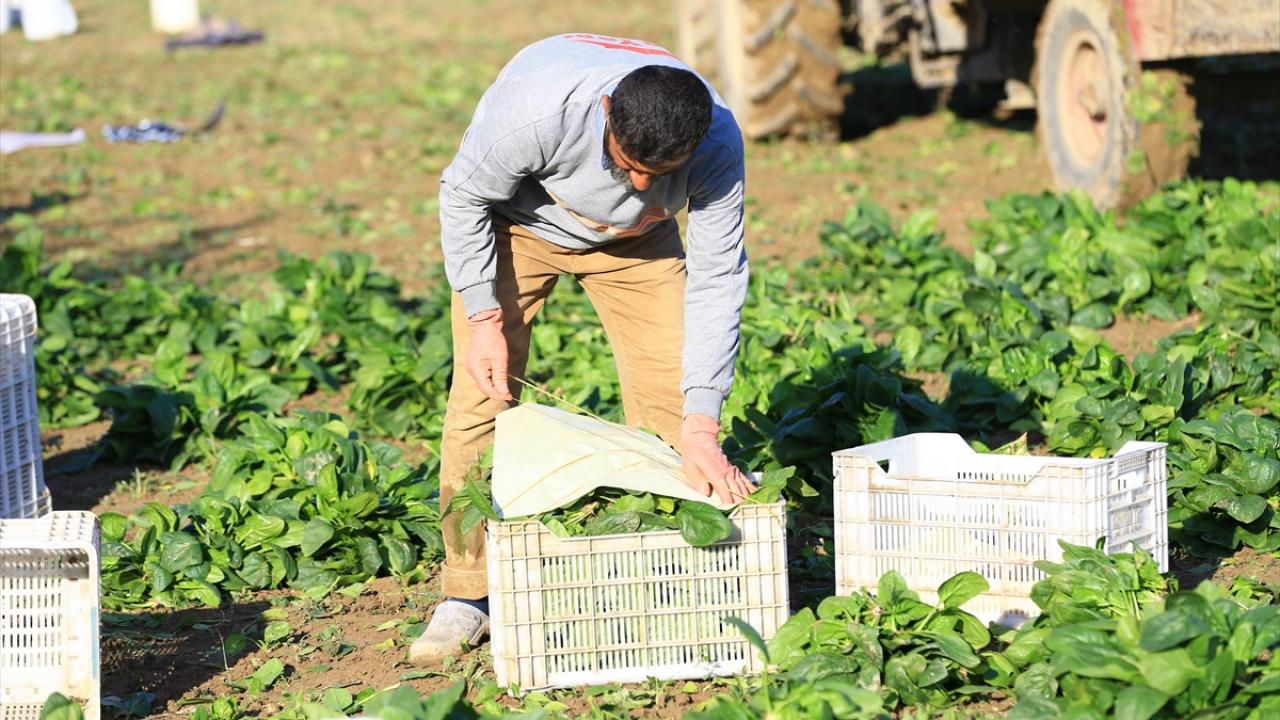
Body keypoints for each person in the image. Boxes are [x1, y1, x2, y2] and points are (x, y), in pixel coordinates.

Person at [409, 32, 752, 664]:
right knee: (482, 400)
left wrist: (702, 416)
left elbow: (719, 275)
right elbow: (462, 194)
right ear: (604, 117)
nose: (642, 181)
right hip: (517, 224)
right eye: (628, 165)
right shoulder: (537, 112)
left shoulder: (718, 142)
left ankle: (664, 571)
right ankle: (469, 592)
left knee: (671, 403)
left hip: (639, 248)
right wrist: (484, 315)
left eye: (661, 174)